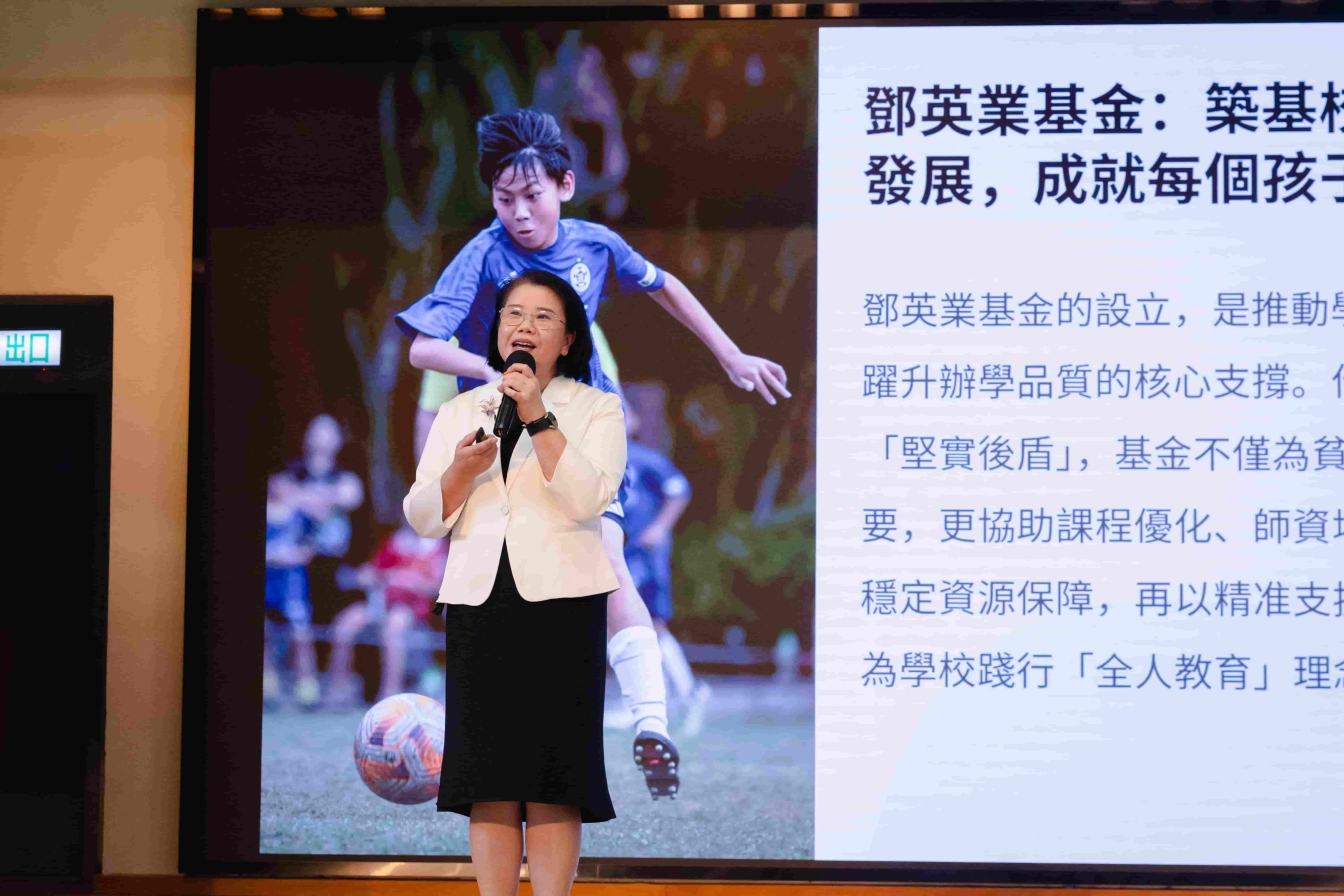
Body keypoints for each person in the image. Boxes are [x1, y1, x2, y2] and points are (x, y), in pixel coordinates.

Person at [396, 108, 790, 797]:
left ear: (565, 185)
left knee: (607, 565)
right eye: (504, 198)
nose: (519, 212)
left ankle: (651, 724)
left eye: (532, 195)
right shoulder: (482, 256)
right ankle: (537, 734)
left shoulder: (594, 244)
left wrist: (730, 354)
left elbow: (664, 286)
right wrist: (493, 371)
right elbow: (423, 348)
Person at [405, 270, 630, 896]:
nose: (524, 327)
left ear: (569, 338)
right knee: (489, 777)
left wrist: (535, 413)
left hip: (563, 606)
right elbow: (422, 517)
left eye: (542, 317)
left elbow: (588, 498)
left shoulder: (597, 408)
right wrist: (458, 472)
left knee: (554, 775)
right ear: (497, 329)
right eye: (513, 314)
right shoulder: (459, 411)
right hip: (480, 603)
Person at [620, 403, 712, 738]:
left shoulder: (645, 458)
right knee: (624, 626)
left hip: (643, 557)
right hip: (618, 554)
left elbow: (679, 490)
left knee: (650, 624)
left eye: (623, 413)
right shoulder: (599, 458)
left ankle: (688, 692)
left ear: (634, 420)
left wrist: (659, 528)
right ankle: (646, 699)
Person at [326, 522, 449, 706]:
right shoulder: (395, 540)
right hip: (380, 602)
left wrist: (407, 581)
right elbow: (374, 569)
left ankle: (389, 693)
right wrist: (365, 575)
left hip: (414, 607)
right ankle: (338, 688)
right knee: (345, 623)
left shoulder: (436, 546)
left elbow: (436, 586)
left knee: (394, 625)